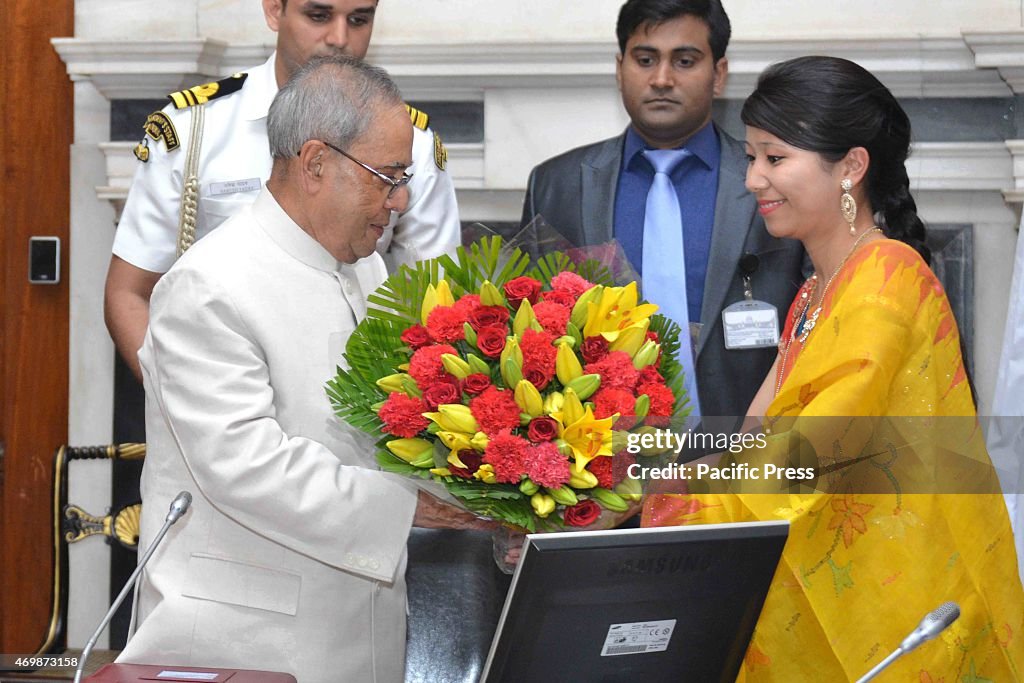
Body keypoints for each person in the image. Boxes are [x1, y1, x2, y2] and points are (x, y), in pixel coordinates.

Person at [644, 56, 1024, 681]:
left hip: (898, 626)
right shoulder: (816, 292)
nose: (753, 180)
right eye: (752, 158)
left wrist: (656, 503)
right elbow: (749, 444)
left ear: (850, 166)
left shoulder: (886, 280)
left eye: (775, 158)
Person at [116, 55, 490, 683]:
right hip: (248, 641)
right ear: (316, 162)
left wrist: (492, 493)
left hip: (359, 626)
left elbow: (389, 434)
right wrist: (412, 508)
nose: (400, 200)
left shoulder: (364, 267)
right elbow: (250, 465)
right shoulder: (208, 286)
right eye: (387, 176)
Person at [105, 0, 460, 381]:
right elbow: (130, 293)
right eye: (318, 16)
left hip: (352, 397)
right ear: (275, 10)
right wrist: (181, 401)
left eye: (359, 20)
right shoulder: (196, 130)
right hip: (217, 384)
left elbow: (436, 308)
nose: (339, 39)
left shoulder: (409, 146)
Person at [521, 0, 804, 421]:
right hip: (598, 458)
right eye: (645, 59)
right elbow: (528, 330)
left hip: (745, 456)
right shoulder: (558, 183)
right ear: (620, 68)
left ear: (719, 74)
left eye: (685, 61)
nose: (661, 79)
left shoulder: (773, 178)